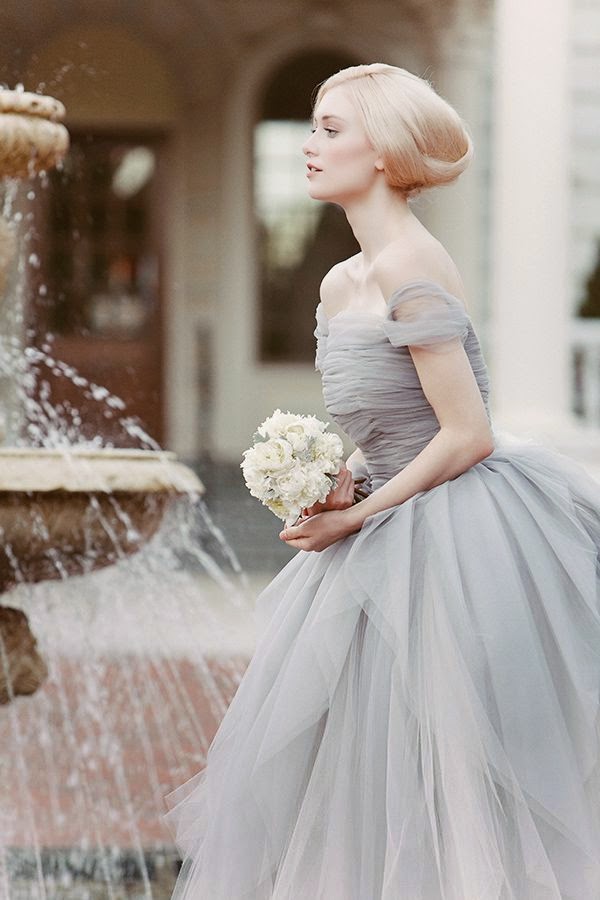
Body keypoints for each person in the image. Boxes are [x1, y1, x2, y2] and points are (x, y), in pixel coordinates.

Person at [163, 63, 600, 899]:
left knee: (443, 765)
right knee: (355, 759)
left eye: (332, 129)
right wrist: (339, 480)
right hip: (387, 515)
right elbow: (392, 429)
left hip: (458, 535)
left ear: (387, 152)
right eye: (313, 128)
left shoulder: (411, 265)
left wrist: (353, 523)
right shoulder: (341, 282)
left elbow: (466, 434)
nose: (311, 146)